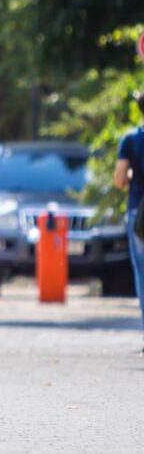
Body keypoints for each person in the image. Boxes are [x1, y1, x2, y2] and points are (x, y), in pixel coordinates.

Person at [114, 91, 144, 352]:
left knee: (142, 273)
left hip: (139, 213)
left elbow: (119, 179)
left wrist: (134, 171)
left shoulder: (131, 140)